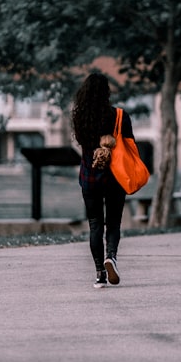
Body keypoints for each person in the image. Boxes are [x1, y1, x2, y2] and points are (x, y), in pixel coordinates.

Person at [71, 73, 133, 288]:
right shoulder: (119, 116)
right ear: (107, 92)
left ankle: (99, 273)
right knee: (113, 223)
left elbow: (82, 143)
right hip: (115, 178)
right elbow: (131, 145)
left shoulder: (80, 118)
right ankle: (111, 257)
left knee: (95, 224)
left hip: (90, 178)